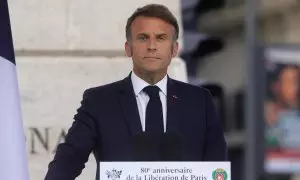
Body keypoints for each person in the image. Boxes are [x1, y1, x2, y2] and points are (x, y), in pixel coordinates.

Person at [44, 4, 227, 180]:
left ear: (174, 49)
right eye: (143, 37)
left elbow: (217, 166)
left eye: (161, 38)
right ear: (128, 48)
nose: (152, 46)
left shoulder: (199, 101)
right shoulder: (99, 101)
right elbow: (68, 159)